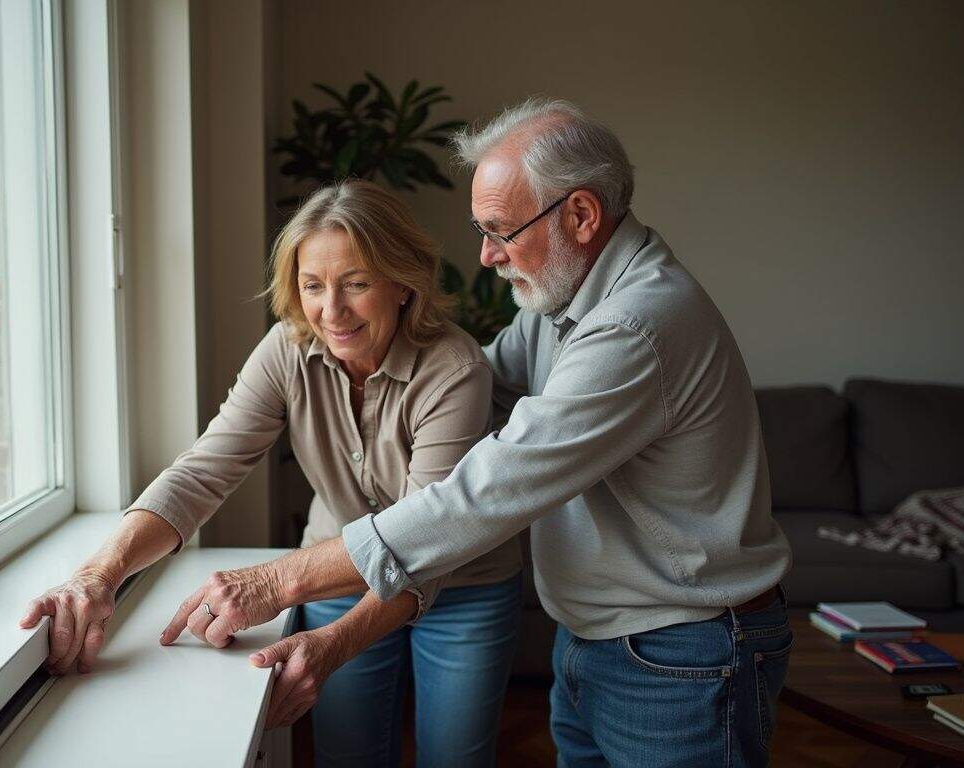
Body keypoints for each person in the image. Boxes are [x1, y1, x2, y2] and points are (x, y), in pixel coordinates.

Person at [162, 98, 795, 768]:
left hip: (679, 651)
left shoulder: (634, 327)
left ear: (580, 216)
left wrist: (281, 581)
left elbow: (481, 494)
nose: (488, 255)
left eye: (501, 230)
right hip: (601, 637)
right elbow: (469, 384)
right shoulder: (562, 307)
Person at [21, 179, 522, 767]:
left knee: (455, 759)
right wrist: (101, 572)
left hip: (461, 585)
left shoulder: (455, 369)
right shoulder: (286, 349)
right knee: (348, 755)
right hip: (338, 575)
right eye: (313, 286)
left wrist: (329, 641)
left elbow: (426, 541)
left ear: (403, 283)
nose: (331, 311)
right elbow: (204, 470)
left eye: (356, 284)